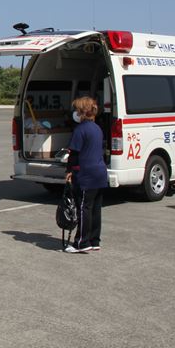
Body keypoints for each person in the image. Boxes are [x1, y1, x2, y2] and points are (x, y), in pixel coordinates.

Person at [64, 96, 108, 254]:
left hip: (86, 174)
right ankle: (94, 240)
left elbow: (74, 153)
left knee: (84, 208)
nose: (75, 113)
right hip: (100, 173)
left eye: (77, 110)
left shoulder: (80, 130)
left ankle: (81, 242)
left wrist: (69, 170)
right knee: (95, 208)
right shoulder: (97, 128)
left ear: (82, 112)